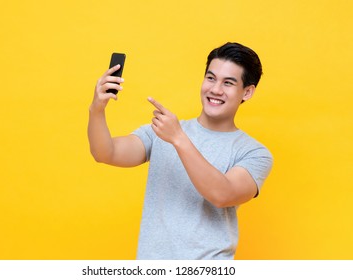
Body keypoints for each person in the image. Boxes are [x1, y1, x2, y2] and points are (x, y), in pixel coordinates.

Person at [88, 42, 273, 260]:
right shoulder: (163, 131)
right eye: (211, 78)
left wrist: (178, 138)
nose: (215, 89)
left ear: (247, 92)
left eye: (228, 83)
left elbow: (222, 195)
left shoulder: (254, 153)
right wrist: (97, 109)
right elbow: (105, 153)